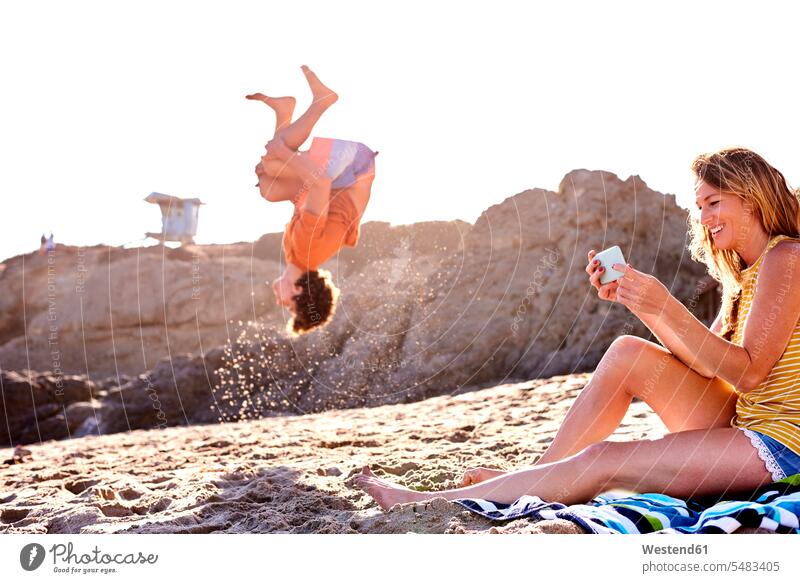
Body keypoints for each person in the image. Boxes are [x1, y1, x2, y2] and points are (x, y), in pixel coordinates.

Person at [355, 147, 800, 511]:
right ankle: (533, 475)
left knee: (604, 459)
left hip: (779, 444)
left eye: (714, 203)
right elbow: (706, 368)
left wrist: (665, 302)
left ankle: (433, 501)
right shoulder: (743, 274)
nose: (703, 217)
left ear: (750, 196)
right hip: (741, 420)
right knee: (627, 350)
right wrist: (642, 304)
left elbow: (748, 373)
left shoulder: (787, 259)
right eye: (699, 205)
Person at [248, 65, 378, 335]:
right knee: (274, 163)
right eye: (288, 307)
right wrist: (282, 153)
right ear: (297, 292)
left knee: (270, 188)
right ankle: (321, 102)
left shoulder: (295, 255)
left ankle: (284, 112)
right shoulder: (306, 249)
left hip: (337, 182)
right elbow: (320, 182)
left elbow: (307, 193)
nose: (279, 302)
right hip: (352, 170)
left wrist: (279, 164)